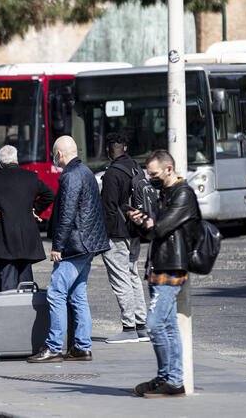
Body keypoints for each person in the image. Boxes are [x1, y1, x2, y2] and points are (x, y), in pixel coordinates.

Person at [27, 136, 109, 363]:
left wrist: (58, 247)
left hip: (75, 244)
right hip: (88, 242)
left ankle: (53, 347)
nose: (54, 159)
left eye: (54, 154)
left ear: (59, 154)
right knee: (77, 294)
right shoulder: (86, 172)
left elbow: (67, 214)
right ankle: (82, 347)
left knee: (56, 293)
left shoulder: (70, 176)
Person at [129, 150, 201, 398]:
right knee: (168, 326)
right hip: (158, 265)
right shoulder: (165, 194)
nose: (151, 178)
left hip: (171, 267)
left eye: (154, 173)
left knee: (154, 325)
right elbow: (150, 233)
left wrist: (150, 223)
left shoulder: (183, 194)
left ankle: (172, 380)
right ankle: (168, 378)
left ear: (169, 169)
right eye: (149, 174)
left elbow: (161, 228)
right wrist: (140, 222)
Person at [0, 145, 54, 293]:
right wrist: (35, 209)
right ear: (16, 159)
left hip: (4, 236)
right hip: (27, 236)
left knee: (7, 283)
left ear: (0, 162)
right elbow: (49, 195)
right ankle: (26, 313)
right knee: (26, 282)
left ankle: (9, 314)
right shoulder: (31, 177)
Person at [100, 132, 149, 343]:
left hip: (118, 234)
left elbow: (108, 209)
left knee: (120, 279)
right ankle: (141, 326)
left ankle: (128, 328)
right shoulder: (136, 168)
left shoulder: (112, 174)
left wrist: (106, 237)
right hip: (135, 231)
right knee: (132, 275)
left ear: (108, 151)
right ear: (125, 148)